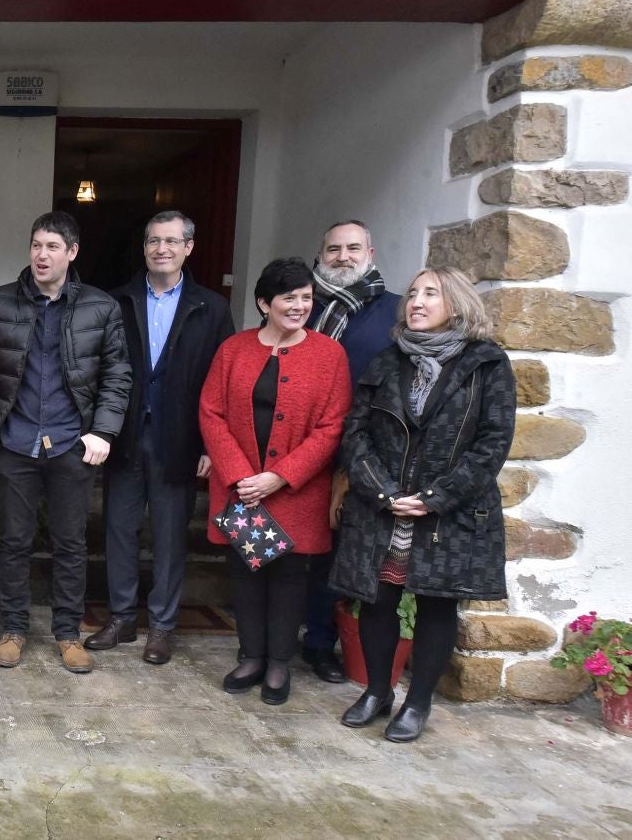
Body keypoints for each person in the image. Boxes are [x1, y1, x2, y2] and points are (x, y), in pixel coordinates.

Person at [331, 267, 515, 743]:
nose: (415, 302)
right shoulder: (387, 361)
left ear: (455, 304)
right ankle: (377, 691)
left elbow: (492, 444)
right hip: (385, 507)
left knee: (435, 608)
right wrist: (383, 492)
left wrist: (435, 498)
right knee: (377, 601)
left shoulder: (486, 364)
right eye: (412, 294)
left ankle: (417, 703)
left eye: (429, 294)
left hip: (447, 515)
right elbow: (356, 433)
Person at [0, 211, 131, 675]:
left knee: (70, 544)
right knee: (15, 541)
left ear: (72, 252)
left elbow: (117, 374)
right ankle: (13, 630)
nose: (42, 255)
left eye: (52, 247)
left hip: (69, 442)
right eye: (36, 246)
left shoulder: (100, 307)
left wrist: (103, 431)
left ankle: (67, 633)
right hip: (16, 439)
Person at [198, 257, 349, 705]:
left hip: (294, 492)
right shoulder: (234, 350)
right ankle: (251, 656)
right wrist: (243, 476)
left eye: (306, 297)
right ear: (265, 302)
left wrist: (280, 477)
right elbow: (211, 412)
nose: (300, 305)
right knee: (245, 572)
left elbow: (333, 426)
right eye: (289, 297)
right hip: (241, 489)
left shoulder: (329, 354)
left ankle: (280, 663)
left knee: (288, 577)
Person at [88, 211, 235, 666]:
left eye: (171, 241)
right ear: (144, 247)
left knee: (170, 536)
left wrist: (211, 444)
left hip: (179, 439)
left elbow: (221, 383)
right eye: (154, 241)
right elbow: (102, 370)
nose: (161, 249)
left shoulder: (212, 308)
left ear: (189, 247)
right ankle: (121, 618)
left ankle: (162, 626)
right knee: (119, 530)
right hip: (126, 436)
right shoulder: (118, 301)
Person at [304, 219, 404, 683]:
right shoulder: (299, 303)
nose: (343, 257)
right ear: (320, 253)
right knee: (290, 547)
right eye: (333, 249)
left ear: (371, 250)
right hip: (297, 446)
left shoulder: (393, 312)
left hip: (361, 451)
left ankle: (321, 642)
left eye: (352, 248)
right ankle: (277, 635)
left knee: (339, 549)